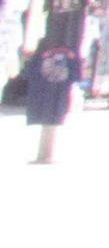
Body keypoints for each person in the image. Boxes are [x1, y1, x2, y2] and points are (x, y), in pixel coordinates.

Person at [21, 27, 76, 164]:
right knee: (53, 113)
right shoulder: (70, 43)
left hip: (44, 87)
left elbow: (29, 72)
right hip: (56, 88)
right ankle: (45, 154)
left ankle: (45, 154)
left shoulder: (44, 46)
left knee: (49, 113)